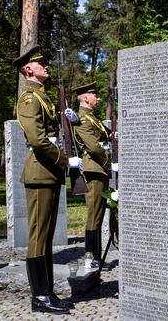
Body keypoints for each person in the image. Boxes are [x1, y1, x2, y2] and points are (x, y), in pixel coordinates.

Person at [13, 45, 80, 314]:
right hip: (40, 170)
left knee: (47, 235)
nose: (46, 66)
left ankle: (47, 291)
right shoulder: (29, 99)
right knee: (39, 236)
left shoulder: (43, 97)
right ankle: (40, 297)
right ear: (28, 69)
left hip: (48, 171)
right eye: (41, 63)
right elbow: (38, 140)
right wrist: (65, 161)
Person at [70, 82, 111, 266]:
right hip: (94, 167)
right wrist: (109, 162)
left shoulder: (93, 118)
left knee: (99, 213)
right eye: (95, 95)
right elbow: (94, 147)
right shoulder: (83, 120)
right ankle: (91, 255)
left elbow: (105, 137)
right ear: (86, 97)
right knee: (94, 214)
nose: (98, 98)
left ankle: (96, 256)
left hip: (99, 168)